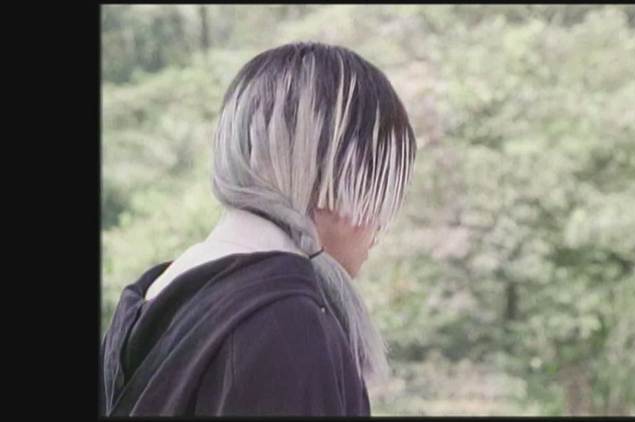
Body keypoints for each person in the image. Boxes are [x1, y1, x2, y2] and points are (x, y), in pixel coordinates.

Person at [100, 41, 417, 416]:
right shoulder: (287, 324)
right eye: (377, 189)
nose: (378, 227)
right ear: (334, 174)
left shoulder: (150, 296)